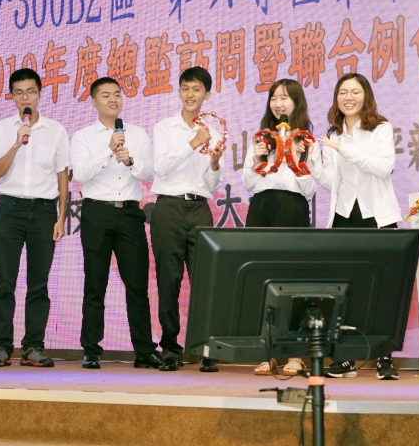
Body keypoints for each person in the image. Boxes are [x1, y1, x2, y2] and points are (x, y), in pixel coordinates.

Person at [310, 72, 402, 381]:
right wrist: (311, 164)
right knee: (346, 289)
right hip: (344, 216)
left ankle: (384, 357)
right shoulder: (333, 135)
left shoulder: (380, 128)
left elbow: (383, 167)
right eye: (342, 92)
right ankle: (347, 356)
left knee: (384, 288)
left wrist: (344, 149)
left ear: (366, 96)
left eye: (355, 92)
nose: (348, 97)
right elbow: (330, 181)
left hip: (377, 216)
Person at [70, 77, 161, 370]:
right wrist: (108, 150)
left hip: (130, 214)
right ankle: (91, 349)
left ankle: (144, 350)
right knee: (95, 283)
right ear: (93, 102)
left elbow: (151, 172)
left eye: (117, 94)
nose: (113, 99)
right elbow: (80, 174)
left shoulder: (138, 134)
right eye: (106, 95)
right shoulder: (83, 137)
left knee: (137, 285)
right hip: (97, 213)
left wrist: (131, 160)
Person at [0, 68, 69, 368]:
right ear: (12, 97)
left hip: (44, 212)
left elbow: (62, 177)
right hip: (9, 210)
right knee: (4, 282)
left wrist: (60, 218)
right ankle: (1, 347)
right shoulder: (1, 129)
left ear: (40, 94)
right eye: (19, 93)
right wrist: (17, 143)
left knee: (38, 284)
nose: (25, 98)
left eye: (30, 92)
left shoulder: (56, 130)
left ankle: (33, 346)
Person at [242, 78, 320, 377]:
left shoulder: (307, 141)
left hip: (292, 208)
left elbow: (310, 189)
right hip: (261, 208)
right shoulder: (262, 138)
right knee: (263, 279)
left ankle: (297, 354)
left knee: (294, 280)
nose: (278, 103)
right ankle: (269, 352)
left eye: (285, 97)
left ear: (296, 102)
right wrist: (258, 157)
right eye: (274, 97)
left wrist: (299, 160)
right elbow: (248, 183)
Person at [150, 66, 224, 373]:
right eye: (185, 88)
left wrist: (215, 163)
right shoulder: (165, 128)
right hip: (168, 207)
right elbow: (161, 167)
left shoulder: (213, 131)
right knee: (169, 280)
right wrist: (193, 143)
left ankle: (207, 348)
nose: (190, 95)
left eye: (196, 89)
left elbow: (212, 184)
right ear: (179, 91)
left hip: (199, 209)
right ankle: (170, 348)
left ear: (207, 94)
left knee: (204, 280)